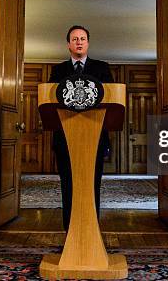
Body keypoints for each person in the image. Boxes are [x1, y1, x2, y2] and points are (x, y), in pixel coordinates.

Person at [49, 25, 114, 231]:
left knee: (92, 185)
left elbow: (111, 98)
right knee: (68, 185)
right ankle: (70, 232)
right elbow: (50, 100)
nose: (79, 42)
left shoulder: (102, 68)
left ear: (88, 43)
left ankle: (91, 230)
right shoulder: (58, 70)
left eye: (83, 38)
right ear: (68, 44)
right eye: (75, 39)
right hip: (65, 139)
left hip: (94, 138)